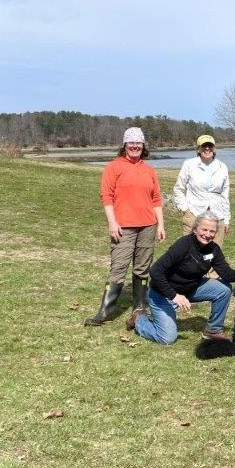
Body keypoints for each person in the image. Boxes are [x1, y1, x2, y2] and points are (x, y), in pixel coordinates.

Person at [128, 211, 235, 345]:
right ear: (195, 229)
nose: (207, 234)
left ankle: (213, 331)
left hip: (189, 289)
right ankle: (139, 320)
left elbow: (227, 274)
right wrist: (174, 296)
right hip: (162, 294)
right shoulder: (184, 245)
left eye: (212, 231)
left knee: (224, 289)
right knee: (167, 338)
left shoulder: (213, 250)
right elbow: (155, 271)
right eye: (204, 229)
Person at [85, 127, 165, 326]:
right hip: (123, 227)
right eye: (131, 142)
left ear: (143, 145)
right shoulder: (114, 167)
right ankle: (104, 312)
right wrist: (112, 222)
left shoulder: (149, 170)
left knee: (142, 268)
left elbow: (156, 199)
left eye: (139, 143)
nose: (135, 146)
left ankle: (139, 306)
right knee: (118, 267)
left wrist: (161, 225)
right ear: (125, 145)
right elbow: (106, 196)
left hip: (148, 225)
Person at [173, 134, 230, 242]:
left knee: (214, 253)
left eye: (210, 146)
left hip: (217, 216)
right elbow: (178, 189)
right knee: (191, 252)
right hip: (194, 214)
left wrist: (226, 219)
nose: (207, 148)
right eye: (204, 146)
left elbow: (225, 195)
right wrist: (185, 209)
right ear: (198, 149)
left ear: (214, 149)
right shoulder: (189, 165)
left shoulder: (222, 167)